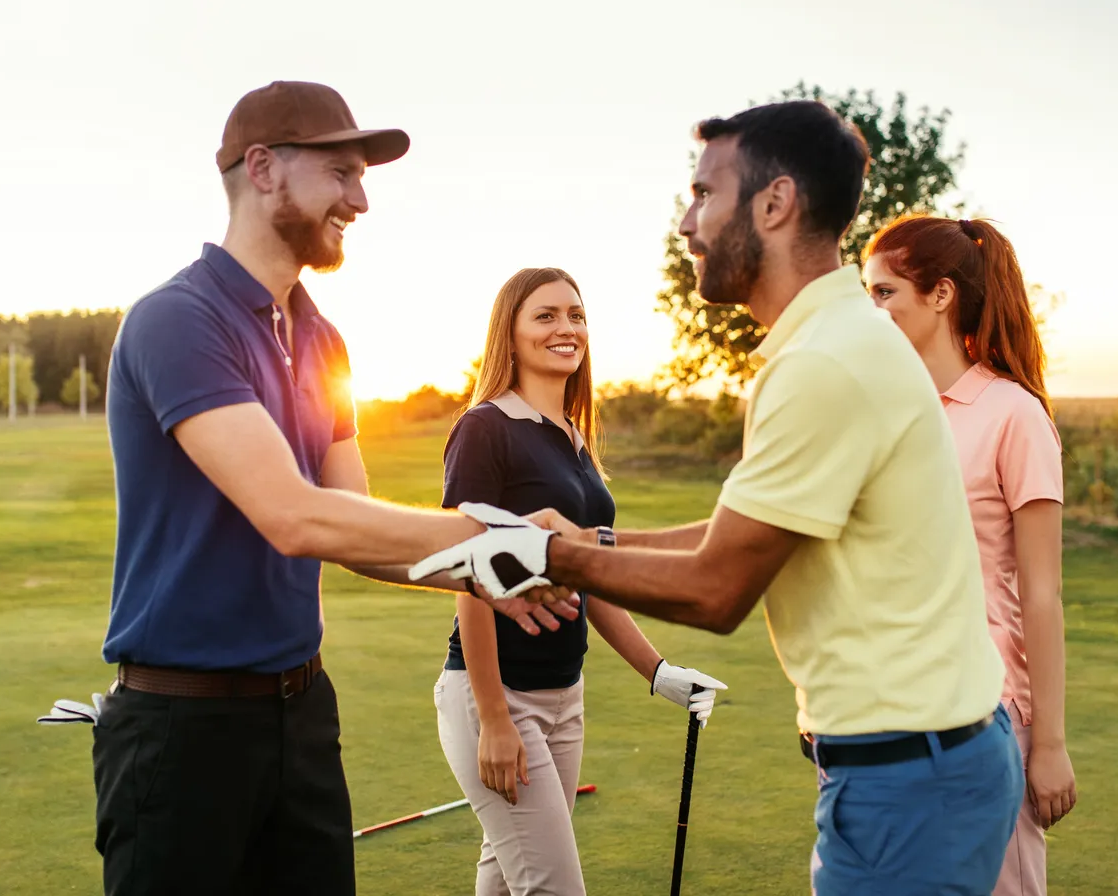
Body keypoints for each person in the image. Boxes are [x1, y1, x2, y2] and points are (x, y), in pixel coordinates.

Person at [417, 100, 1023, 895]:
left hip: (906, 777)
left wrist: (548, 552)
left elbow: (719, 585)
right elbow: (735, 533)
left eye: (704, 194)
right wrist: (592, 546)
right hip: (929, 763)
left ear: (774, 205)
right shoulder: (838, 341)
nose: (686, 223)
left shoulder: (822, 362)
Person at [94, 80, 572, 896]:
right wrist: (496, 536)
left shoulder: (323, 339)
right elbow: (293, 516)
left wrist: (486, 572)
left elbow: (353, 523)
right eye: (342, 173)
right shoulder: (179, 320)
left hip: (302, 714)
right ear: (263, 168)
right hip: (182, 728)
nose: (361, 198)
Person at [433, 267, 727, 896]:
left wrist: (658, 671)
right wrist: (493, 719)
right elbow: (468, 573)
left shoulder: (573, 438)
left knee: (508, 878)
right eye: (545, 315)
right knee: (552, 888)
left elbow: (585, 576)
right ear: (508, 335)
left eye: (576, 314)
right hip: (499, 695)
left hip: (566, 696)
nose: (566, 328)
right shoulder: (485, 428)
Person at [864, 215, 1078, 895]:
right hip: (886, 711)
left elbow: (1041, 595)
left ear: (941, 295)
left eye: (884, 293)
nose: (873, 311)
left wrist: (1049, 744)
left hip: (988, 719)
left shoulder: (1014, 415)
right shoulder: (885, 411)